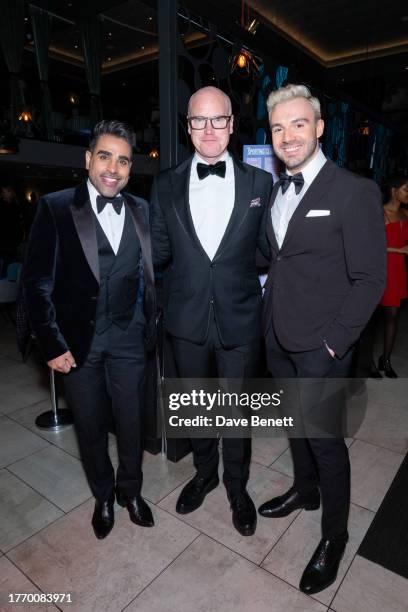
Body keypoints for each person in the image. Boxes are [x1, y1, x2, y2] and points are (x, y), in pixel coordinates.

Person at [257, 84, 386, 594]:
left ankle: (334, 536)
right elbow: (279, 261)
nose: (288, 136)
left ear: (318, 127)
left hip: (321, 348)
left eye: (298, 124)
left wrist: (334, 344)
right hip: (279, 339)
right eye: (277, 128)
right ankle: (303, 491)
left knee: (327, 443)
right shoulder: (274, 191)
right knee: (296, 428)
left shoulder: (353, 191)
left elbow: (370, 279)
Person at [23, 120, 156, 539]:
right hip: (78, 344)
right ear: (87, 160)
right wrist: (51, 342)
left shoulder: (142, 210)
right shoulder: (56, 206)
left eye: (123, 160)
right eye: (105, 156)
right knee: (92, 424)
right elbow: (36, 282)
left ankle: (130, 491)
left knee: (132, 422)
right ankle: (102, 494)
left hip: (130, 337)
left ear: (131, 169)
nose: (113, 168)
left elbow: (150, 273)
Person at [150, 86, 272, 536]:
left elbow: (267, 249)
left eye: (217, 119)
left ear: (232, 124)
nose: (208, 129)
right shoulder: (164, 184)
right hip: (186, 320)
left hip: (241, 318)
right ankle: (205, 473)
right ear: (187, 127)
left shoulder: (261, 183)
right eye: (198, 121)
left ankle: (237, 487)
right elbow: (158, 253)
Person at [377, 174, 408, 377]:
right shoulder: (380, 213)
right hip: (381, 268)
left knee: (393, 315)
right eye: (406, 189)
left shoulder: (406, 213)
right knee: (371, 319)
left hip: (398, 270)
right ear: (394, 190)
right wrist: (399, 250)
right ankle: (366, 363)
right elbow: (372, 246)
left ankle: (385, 359)